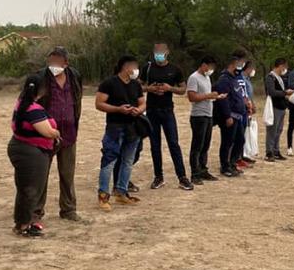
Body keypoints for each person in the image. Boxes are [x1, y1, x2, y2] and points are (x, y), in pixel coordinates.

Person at [33, 46, 84, 224]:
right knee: (40, 175)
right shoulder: (40, 78)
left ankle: (69, 209)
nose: (53, 64)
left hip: (69, 134)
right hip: (44, 134)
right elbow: (30, 103)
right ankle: (35, 212)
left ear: (66, 63)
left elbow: (78, 100)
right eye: (51, 61)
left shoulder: (74, 76)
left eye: (57, 61)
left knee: (68, 175)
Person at [7, 75, 61, 237]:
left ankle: (21, 222)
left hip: (23, 148)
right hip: (32, 152)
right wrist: (56, 133)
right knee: (32, 189)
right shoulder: (33, 109)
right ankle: (24, 224)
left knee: (24, 188)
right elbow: (47, 131)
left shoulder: (22, 103)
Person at [139, 43, 193, 190]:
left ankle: (182, 177)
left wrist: (170, 88)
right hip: (152, 111)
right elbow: (137, 86)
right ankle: (158, 177)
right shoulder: (147, 68)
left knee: (173, 144)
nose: (159, 54)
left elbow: (183, 89)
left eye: (162, 51)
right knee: (155, 145)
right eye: (156, 51)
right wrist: (149, 88)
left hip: (168, 111)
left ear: (167, 52)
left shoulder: (175, 69)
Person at [96, 56, 146, 211]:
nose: (136, 70)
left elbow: (142, 102)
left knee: (128, 161)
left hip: (133, 127)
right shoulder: (109, 83)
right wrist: (118, 109)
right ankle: (103, 196)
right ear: (126, 67)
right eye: (134, 66)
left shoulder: (136, 84)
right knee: (109, 161)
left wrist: (139, 110)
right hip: (115, 128)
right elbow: (99, 104)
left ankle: (121, 192)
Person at [187, 56, 224, 184]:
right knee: (197, 145)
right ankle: (195, 173)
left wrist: (216, 97)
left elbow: (207, 96)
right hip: (198, 116)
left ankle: (203, 169)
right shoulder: (194, 78)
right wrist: (208, 95)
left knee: (205, 145)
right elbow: (191, 97)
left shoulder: (207, 78)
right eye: (210, 66)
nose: (211, 69)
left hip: (208, 115)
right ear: (203, 65)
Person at [214, 51, 248, 177]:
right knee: (227, 142)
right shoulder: (224, 79)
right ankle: (225, 166)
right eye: (240, 63)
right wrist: (227, 116)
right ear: (233, 64)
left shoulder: (234, 78)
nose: (241, 66)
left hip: (238, 116)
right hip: (230, 116)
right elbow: (223, 100)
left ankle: (233, 163)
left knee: (240, 140)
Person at [264, 58, 293, 162]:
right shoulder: (270, 77)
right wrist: (285, 93)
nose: (285, 69)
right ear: (280, 66)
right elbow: (272, 92)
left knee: (279, 130)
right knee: (272, 130)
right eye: (285, 67)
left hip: (281, 107)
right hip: (274, 106)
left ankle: (276, 150)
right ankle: (269, 152)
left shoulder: (279, 78)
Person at [239, 60, 258, 167]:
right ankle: (237, 157)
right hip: (243, 108)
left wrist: (252, 105)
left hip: (247, 108)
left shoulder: (247, 79)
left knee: (244, 133)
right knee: (240, 133)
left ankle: (242, 155)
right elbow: (244, 95)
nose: (253, 71)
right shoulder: (241, 78)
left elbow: (249, 95)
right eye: (252, 68)